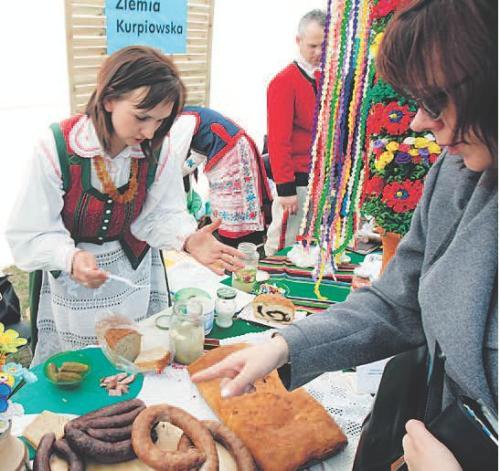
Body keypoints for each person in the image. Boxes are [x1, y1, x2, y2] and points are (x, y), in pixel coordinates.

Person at [192, 1, 497, 470]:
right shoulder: (454, 176)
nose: (417, 123)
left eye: (434, 103)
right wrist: (283, 346)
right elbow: (398, 301)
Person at [5, 46, 243, 365]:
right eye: (141, 117)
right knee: (81, 365)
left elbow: (160, 214)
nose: (150, 131)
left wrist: (186, 238)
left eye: (160, 121)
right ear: (108, 99)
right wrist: (69, 258)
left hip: (134, 271)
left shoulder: (158, 146)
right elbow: (31, 230)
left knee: (134, 353)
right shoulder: (57, 147)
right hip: (73, 282)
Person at [264, 9, 326, 256]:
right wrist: (286, 189)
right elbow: (278, 141)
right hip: (296, 180)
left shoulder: (325, 78)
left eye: (324, 46)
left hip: (320, 177)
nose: (319, 52)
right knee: (283, 243)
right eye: (313, 46)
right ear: (298, 41)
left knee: (310, 247)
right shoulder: (284, 81)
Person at [168, 106, 273, 248]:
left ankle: (245, 243)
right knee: (222, 202)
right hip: (224, 153)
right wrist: (177, 174)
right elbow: (196, 156)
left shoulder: (182, 120)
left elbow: (172, 159)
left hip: (232, 152)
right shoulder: (187, 118)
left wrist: (167, 177)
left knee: (236, 202)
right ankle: (229, 241)